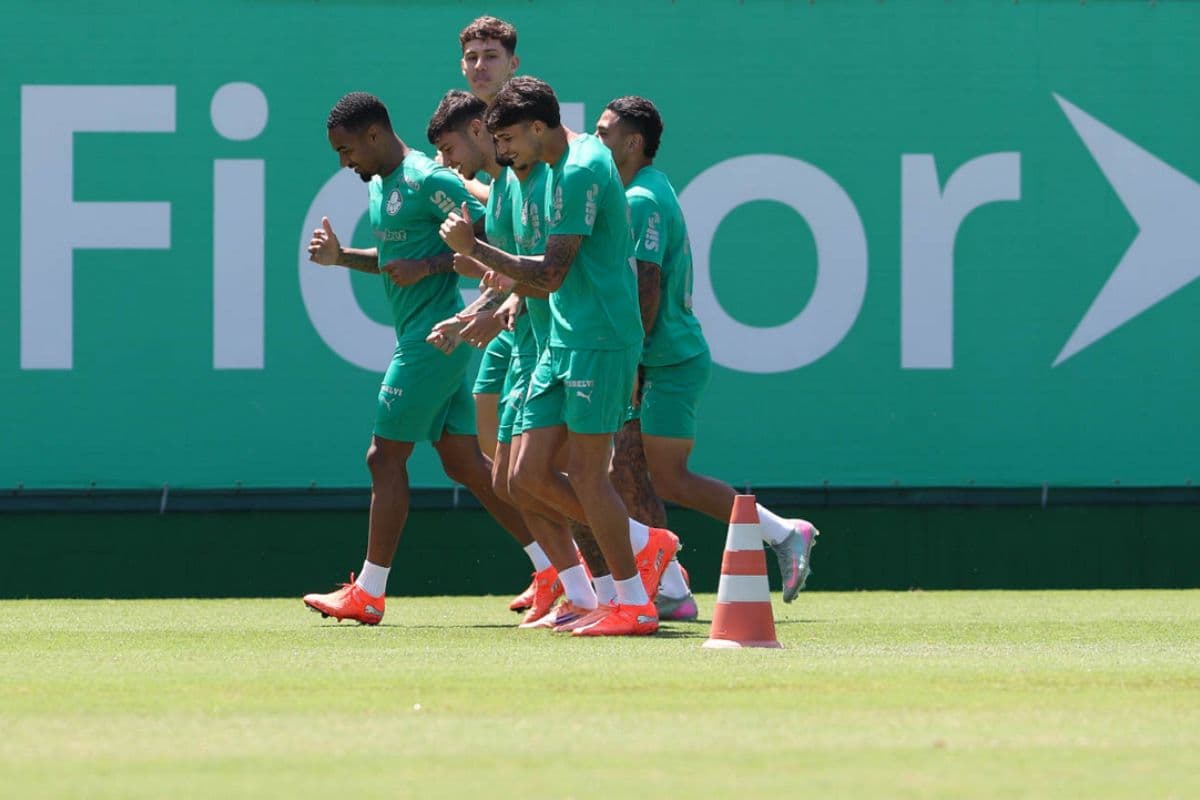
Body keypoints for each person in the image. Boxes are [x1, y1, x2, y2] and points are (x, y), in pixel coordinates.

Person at [440, 77, 676, 636]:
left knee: (592, 478)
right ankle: (640, 549)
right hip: (562, 340)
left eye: (509, 139)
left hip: (600, 339)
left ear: (539, 128)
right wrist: (492, 291)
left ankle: (633, 601)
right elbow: (537, 272)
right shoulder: (546, 169)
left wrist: (473, 249)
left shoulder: (578, 170)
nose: (503, 150)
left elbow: (548, 273)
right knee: (521, 476)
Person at [301, 92, 534, 625]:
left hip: (431, 340)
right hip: (426, 339)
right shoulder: (381, 184)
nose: (344, 162)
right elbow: (393, 261)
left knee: (383, 458)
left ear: (375, 136)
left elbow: (492, 235)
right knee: (462, 462)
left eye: (347, 149)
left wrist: (430, 268)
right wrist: (342, 259)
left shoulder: (430, 178)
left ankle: (370, 591)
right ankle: (551, 567)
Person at [595, 96, 820, 616]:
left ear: (633, 143)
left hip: (664, 360)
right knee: (621, 472)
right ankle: (669, 586)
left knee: (663, 477)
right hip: (653, 358)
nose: (595, 140)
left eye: (605, 133)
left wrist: (630, 364)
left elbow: (645, 289)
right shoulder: (642, 190)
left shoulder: (640, 200)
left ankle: (783, 533)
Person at [425, 89, 597, 626]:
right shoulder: (503, 187)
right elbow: (511, 274)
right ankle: (579, 589)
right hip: (525, 339)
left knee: (536, 476)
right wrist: (477, 310)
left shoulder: (545, 179)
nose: (449, 165)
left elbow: (544, 274)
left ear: (484, 135)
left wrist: (492, 301)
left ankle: (638, 557)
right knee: (509, 480)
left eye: (452, 151)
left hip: (558, 341)